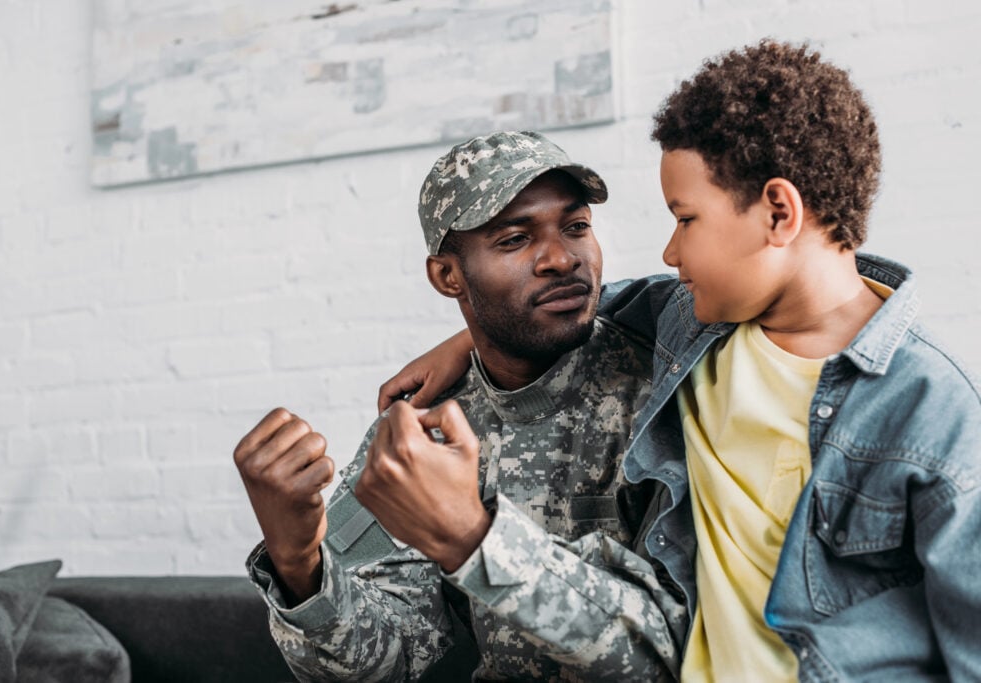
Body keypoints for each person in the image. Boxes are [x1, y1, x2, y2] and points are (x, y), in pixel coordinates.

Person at [379, 41, 981, 680]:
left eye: (685, 219)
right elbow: (556, 306)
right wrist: (465, 343)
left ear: (778, 213)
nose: (668, 250)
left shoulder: (932, 413)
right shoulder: (691, 326)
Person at [234, 130, 687, 681]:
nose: (561, 259)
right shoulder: (423, 429)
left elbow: (680, 654)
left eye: (576, 227)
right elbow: (383, 662)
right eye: (515, 240)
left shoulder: (670, 379)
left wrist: (475, 538)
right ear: (448, 276)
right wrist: (297, 563)